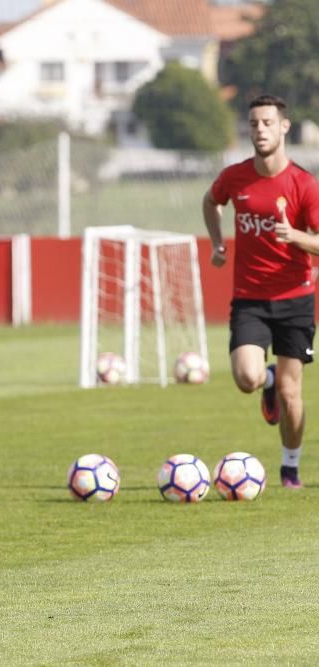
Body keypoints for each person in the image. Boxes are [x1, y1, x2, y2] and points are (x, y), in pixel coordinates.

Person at [203, 93, 319, 490]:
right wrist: (218, 242)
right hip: (250, 298)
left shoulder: (304, 184)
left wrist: (296, 236)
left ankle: (290, 469)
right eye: (254, 124)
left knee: (292, 393)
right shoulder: (235, 177)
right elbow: (211, 201)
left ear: (284, 126)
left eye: (268, 123)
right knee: (246, 378)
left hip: (296, 299)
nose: (260, 130)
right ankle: (264, 381)